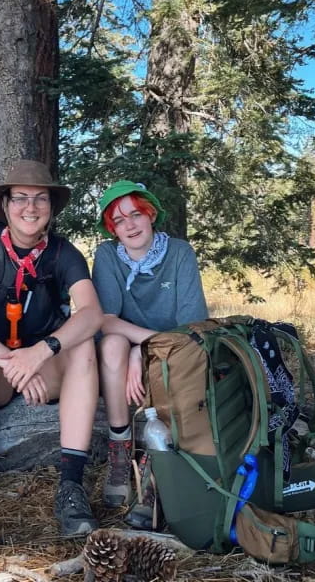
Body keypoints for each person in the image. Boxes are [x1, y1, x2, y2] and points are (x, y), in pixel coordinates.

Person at [0, 160, 103, 537]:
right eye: (20, 198)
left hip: (45, 368)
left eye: (40, 198)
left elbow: (93, 312)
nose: (30, 208)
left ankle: (71, 483)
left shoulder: (64, 253)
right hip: (0, 371)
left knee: (81, 347)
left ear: (50, 206)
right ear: (5, 205)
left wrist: (41, 352)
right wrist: (13, 362)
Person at [92, 180, 208, 524]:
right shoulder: (107, 256)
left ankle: (160, 466)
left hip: (176, 349)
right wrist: (135, 347)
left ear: (150, 214)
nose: (129, 224)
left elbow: (191, 329)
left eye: (136, 214)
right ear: (112, 228)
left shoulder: (180, 253)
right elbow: (106, 320)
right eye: (118, 219)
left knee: (181, 356)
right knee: (112, 344)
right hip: (129, 345)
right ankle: (120, 446)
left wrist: (144, 348)